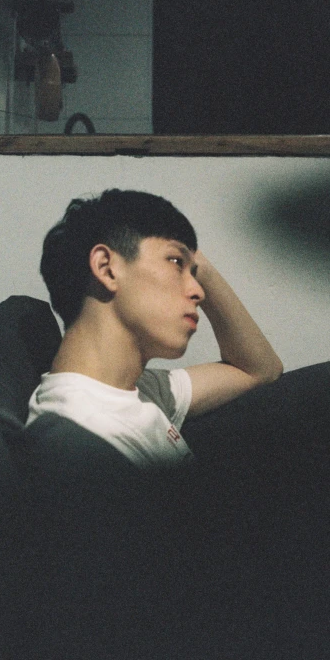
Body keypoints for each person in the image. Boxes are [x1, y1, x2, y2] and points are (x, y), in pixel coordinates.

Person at [27, 188, 283, 469]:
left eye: (194, 274)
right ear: (107, 268)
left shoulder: (137, 389)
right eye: (175, 262)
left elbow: (259, 369)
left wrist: (197, 264)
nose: (199, 291)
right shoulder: (79, 439)